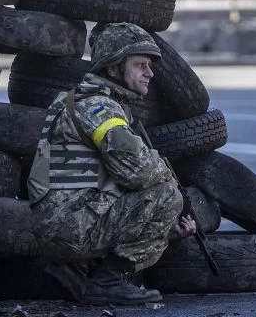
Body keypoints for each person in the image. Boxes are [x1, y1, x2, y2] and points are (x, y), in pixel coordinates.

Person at [27, 22, 197, 305]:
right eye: (140, 64)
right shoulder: (99, 108)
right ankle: (106, 283)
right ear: (113, 69)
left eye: (149, 65)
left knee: (162, 199)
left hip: (62, 220)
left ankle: (73, 268)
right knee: (167, 195)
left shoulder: (77, 100)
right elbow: (138, 171)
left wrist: (167, 228)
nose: (150, 73)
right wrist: (169, 183)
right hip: (71, 225)